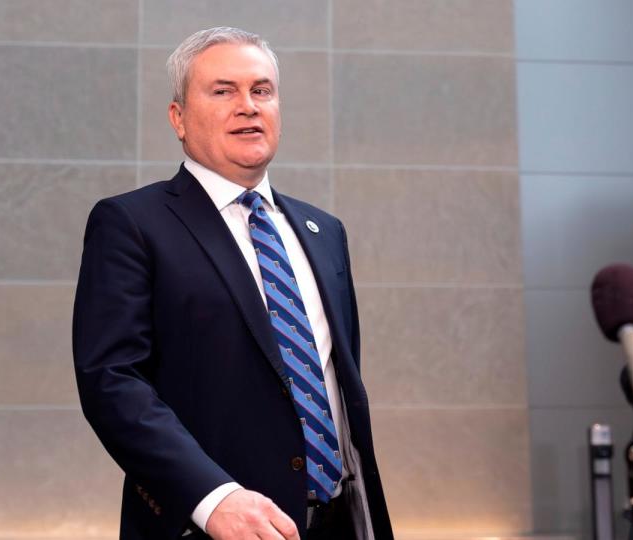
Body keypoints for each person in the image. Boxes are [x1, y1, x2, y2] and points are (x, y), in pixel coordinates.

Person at [73, 26, 394, 540]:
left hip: (340, 521)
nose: (248, 106)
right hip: (211, 527)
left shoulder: (325, 232)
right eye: (223, 91)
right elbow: (112, 381)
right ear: (178, 117)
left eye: (261, 90)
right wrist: (211, 498)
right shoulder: (132, 224)